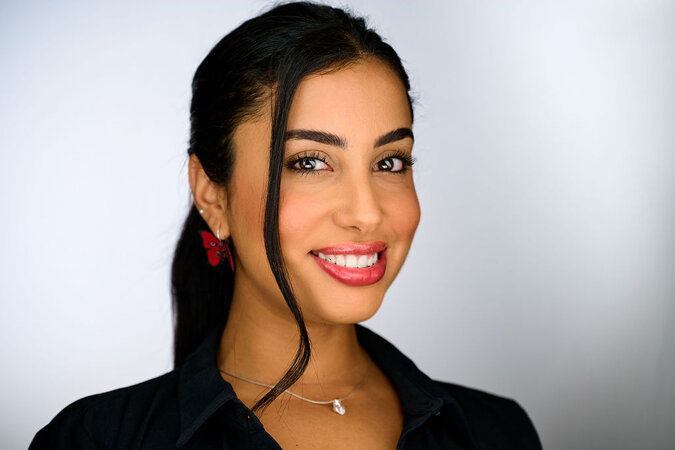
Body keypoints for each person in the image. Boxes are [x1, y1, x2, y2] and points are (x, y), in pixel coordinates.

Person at [30, 2, 542, 448]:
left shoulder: (496, 432)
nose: (366, 213)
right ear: (211, 193)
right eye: (310, 162)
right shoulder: (95, 439)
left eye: (389, 162)